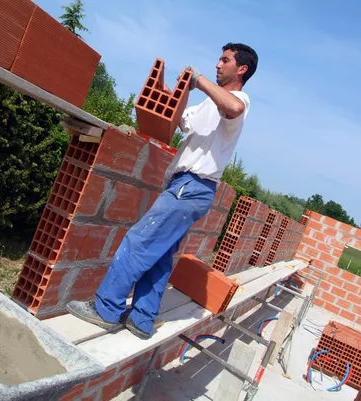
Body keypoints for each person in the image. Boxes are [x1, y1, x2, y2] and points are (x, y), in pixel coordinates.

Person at [67, 43, 258, 340]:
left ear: (241, 69)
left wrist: (199, 81)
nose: (218, 64)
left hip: (191, 187)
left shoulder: (237, 100)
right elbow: (178, 120)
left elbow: (232, 107)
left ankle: (106, 310)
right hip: (188, 188)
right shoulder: (208, 106)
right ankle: (142, 319)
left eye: (225, 60)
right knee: (159, 254)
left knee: (139, 242)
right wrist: (175, 92)